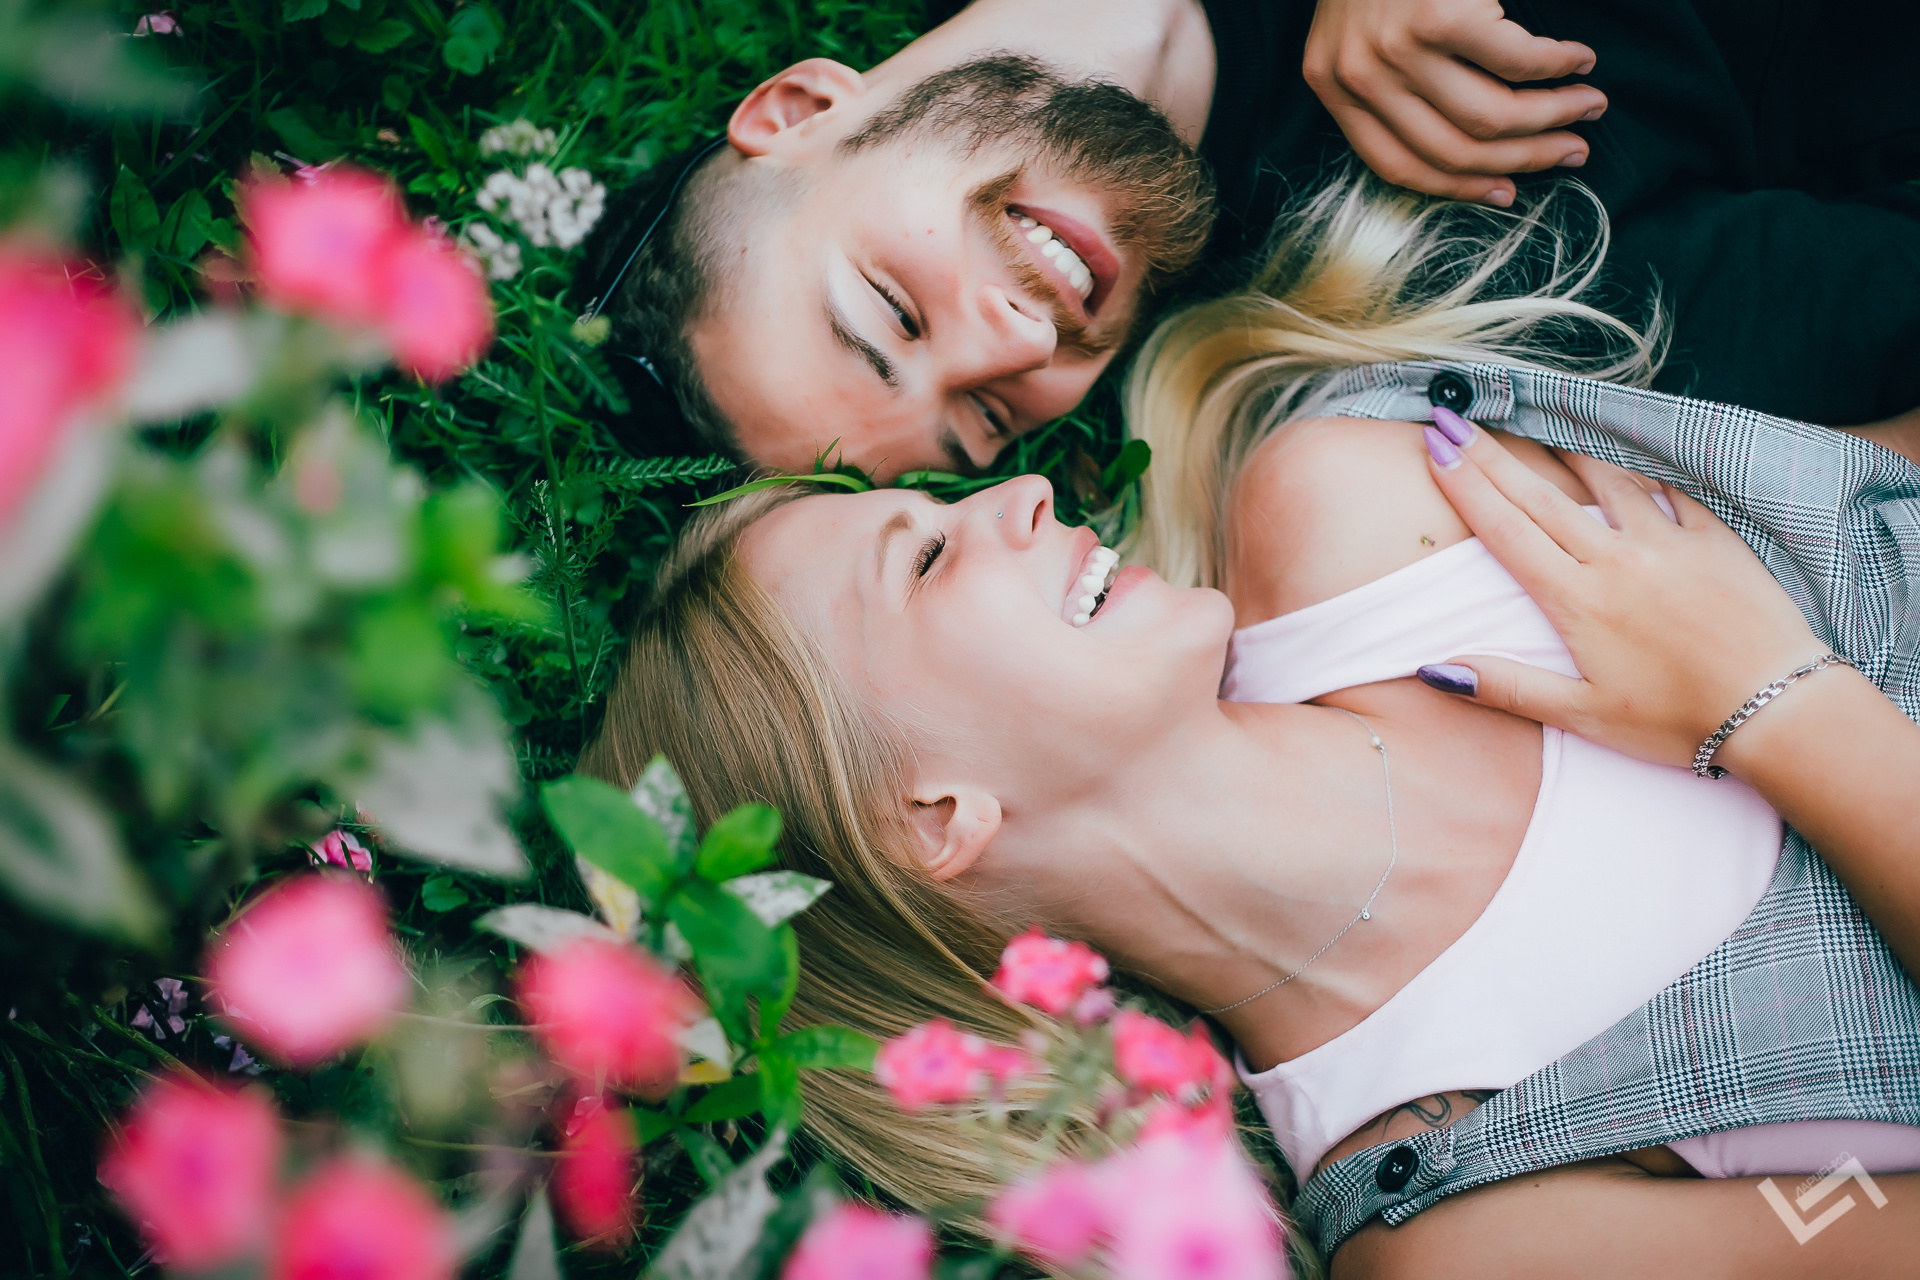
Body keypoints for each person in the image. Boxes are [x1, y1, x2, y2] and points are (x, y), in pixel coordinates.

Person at [579, 175, 1920, 1271]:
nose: (1022, 498)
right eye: (926, 559)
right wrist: (1777, 706)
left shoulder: (1358, 514)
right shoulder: (1461, 1222)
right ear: (934, 819)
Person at [578, 0, 1920, 476]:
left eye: (892, 311)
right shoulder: (1471, 272)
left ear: (802, 113)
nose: (1018, 345)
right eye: (984, 422)